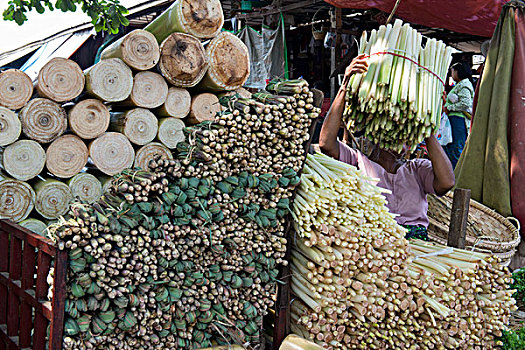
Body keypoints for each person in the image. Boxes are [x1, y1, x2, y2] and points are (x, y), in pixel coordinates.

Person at [319, 55, 455, 240]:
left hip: (416, 244)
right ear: (377, 136)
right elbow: (326, 144)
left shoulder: (416, 169)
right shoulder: (359, 163)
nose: (401, 145)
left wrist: (427, 125)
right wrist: (344, 88)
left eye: (407, 138)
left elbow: (446, 183)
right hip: (375, 242)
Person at [443, 62, 475, 168]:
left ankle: (455, 175)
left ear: (458, 72)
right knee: (451, 147)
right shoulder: (460, 85)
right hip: (454, 120)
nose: (451, 74)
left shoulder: (465, 85)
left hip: (458, 121)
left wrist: (449, 108)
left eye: (452, 71)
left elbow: (465, 104)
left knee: (456, 148)